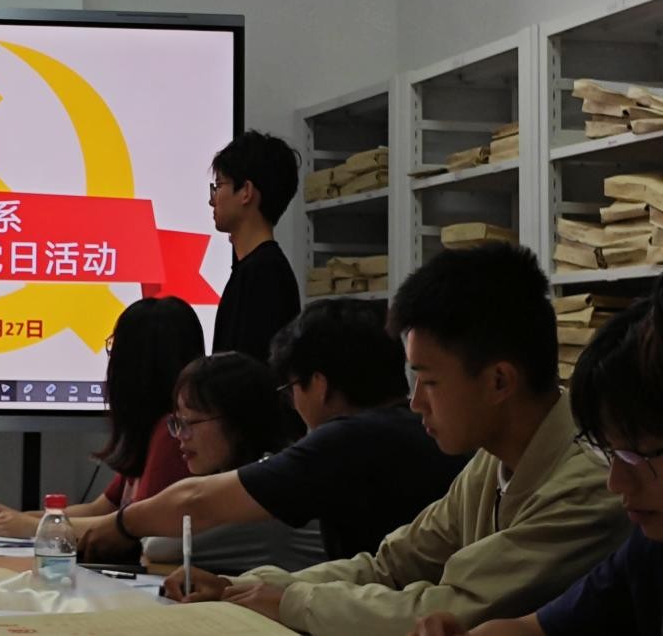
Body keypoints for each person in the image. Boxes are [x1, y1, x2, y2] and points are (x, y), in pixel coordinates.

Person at [165, 243, 630, 636]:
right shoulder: (493, 460)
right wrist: (245, 587)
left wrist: (287, 601)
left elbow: (451, 608)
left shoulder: (591, 483)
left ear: (499, 381)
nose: (416, 402)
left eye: (430, 381)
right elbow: (391, 565)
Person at [79, 298, 464, 563]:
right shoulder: (405, 432)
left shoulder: (349, 439)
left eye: (292, 388)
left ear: (319, 385)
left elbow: (196, 502)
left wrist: (123, 525)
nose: (293, 403)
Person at [411, 275, 663, 636]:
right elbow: (534, 628)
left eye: (635, 456)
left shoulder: (585, 490)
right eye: (609, 452)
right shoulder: (648, 548)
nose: (615, 481)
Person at [0, 296, 203, 557]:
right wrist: (21, 519)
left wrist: (34, 527)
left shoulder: (169, 435)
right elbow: (99, 509)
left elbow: (130, 527)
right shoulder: (150, 432)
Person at [77, 351, 326, 574]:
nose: (181, 436)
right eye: (177, 423)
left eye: (191, 423)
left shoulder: (269, 484)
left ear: (238, 422)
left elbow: (161, 545)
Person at [208, 131, 301, 360]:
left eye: (219, 185)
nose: (212, 199)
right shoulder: (257, 268)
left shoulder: (263, 273)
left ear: (246, 192)